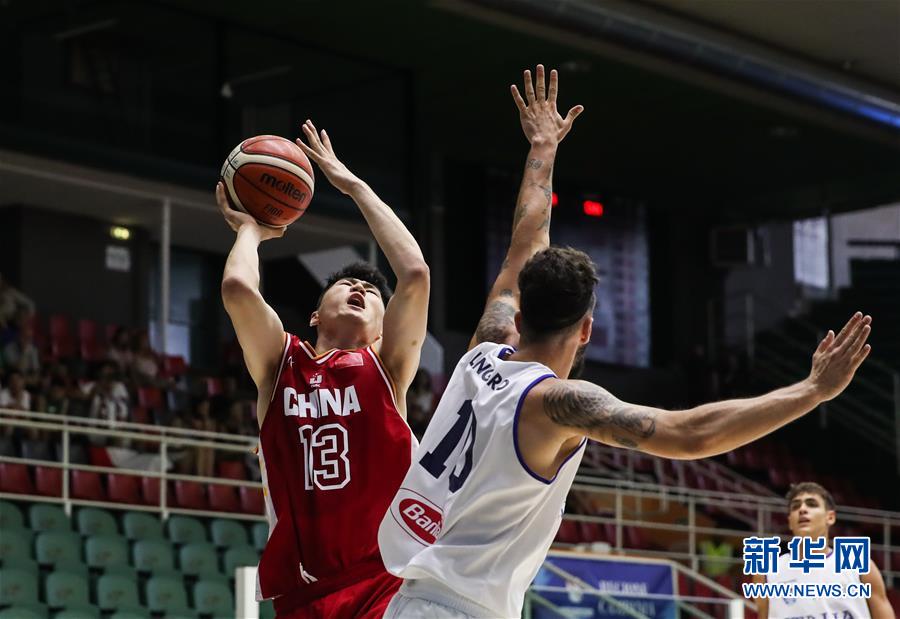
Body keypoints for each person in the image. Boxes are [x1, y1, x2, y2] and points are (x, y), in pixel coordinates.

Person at [379, 244, 873, 618]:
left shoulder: (481, 353)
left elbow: (518, 256)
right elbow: (690, 435)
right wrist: (811, 391)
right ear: (587, 330)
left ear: (520, 316)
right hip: (458, 605)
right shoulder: (554, 403)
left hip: (414, 595)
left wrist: (541, 153)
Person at [218, 118, 429, 619]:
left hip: (386, 580)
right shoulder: (279, 364)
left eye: (372, 293)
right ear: (315, 315)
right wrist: (250, 230)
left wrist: (353, 186)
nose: (361, 289)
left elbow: (415, 273)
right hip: (303, 591)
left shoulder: (387, 367)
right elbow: (238, 290)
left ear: (382, 328)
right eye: (348, 286)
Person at [752, 482, 893, 619]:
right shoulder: (767, 572)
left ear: (830, 517)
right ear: (789, 522)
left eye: (811, 504)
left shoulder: (860, 566)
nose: (802, 509)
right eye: (795, 506)